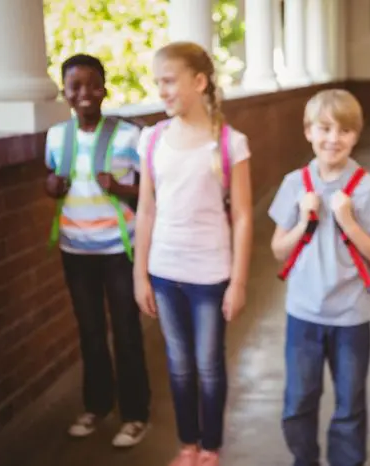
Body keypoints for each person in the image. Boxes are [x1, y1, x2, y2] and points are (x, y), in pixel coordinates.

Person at [133, 41, 253, 466]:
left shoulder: (228, 143)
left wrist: (238, 282)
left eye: (169, 81)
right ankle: (188, 444)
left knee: (208, 365)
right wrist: (139, 274)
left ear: (199, 82)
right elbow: (145, 211)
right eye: (157, 83)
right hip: (164, 270)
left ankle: (211, 446)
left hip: (210, 273)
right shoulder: (151, 140)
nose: (161, 91)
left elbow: (241, 216)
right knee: (179, 365)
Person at [268, 89, 370, 466]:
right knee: (298, 401)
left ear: (356, 135)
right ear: (308, 131)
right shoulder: (295, 184)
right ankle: (303, 459)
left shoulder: (367, 188)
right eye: (324, 128)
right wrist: (305, 219)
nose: (333, 138)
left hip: (351, 315)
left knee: (350, 404)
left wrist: (348, 220)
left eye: (344, 130)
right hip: (304, 312)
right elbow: (279, 250)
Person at [44, 53, 151, 447]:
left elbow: (151, 192)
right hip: (76, 248)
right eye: (75, 86)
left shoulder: (129, 135)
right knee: (90, 332)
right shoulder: (57, 137)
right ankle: (96, 405)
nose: (84, 93)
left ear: (105, 88)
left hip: (119, 249)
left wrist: (121, 188)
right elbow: (53, 178)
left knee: (125, 330)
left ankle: (136, 414)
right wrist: (50, 187)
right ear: (65, 92)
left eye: (93, 84)